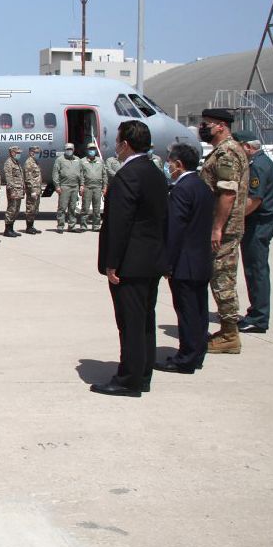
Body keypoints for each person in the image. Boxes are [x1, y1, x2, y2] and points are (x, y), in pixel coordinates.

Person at [92, 120, 169, 397]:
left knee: (130, 323)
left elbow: (119, 224)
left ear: (125, 144)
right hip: (152, 261)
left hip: (131, 263)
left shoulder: (128, 176)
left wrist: (112, 263)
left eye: (118, 141)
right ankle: (143, 374)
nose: (116, 146)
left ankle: (129, 379)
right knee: (146, 320)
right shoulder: (155, 173)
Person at [156, 143, 214, 374]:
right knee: (199, 310)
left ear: (179, 164)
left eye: (170, 162)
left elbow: (175, 229)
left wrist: (167, 262)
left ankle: (186, 358)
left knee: (187, 311)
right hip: (201, 259)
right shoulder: (202, 186)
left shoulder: (182, 189)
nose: (168, 166)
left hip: (185, 262)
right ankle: (197, 353)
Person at [199, 108, 250, 354]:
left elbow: (228, 193)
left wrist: (217, 228)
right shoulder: (222, 151)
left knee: (222, 279)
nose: (203, 127)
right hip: (223, 227)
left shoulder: (227, 152)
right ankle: (227, 331)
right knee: (220, 277)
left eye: (207, 124)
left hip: (225, 230)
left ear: (220, 126)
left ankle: (230, 334)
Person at [235, 131, 273, 334]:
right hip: (260, 222)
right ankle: (256, 311)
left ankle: (259, 317)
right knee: (255, 270)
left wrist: (233, 219)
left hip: (259, 223)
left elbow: (254, 200)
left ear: (247, 147)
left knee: (257, 271)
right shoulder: (259, 163)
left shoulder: (258, 166)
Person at [52, 145, 83, 232]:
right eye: (67, 149)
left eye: (70, 149)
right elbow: (55, 173)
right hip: (64, 186)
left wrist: (82, 185)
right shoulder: (60, 160)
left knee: (72, 207)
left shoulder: (78, 160)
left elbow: (81, 173)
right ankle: (60, 226)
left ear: (73, 150)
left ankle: (72, 226)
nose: (69, 150)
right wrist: (57, 186)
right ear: (64, 150)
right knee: (62, 207)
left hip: (75, 186)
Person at [79, 143, 106, 231]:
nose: (92, 151)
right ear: (87, 150)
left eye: (93, 149)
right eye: (90, 149)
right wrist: (81, 185)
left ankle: (96, 226)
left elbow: (104, 174)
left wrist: (104, 186)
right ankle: (83, 226)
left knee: (97, 208)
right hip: (87, 187)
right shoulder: (82, 161)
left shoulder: (100, 161)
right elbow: (81, 174)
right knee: (85, 208)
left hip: (97, 187)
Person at [2, 145, 24, 238]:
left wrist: (23, 188)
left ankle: (11, 228)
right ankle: (7, 230)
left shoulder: (16, 162)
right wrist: (11, 191)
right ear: (12, 152)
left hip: (19, 190)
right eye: (17, 152)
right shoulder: (9, 163)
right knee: (11, 209)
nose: (19, 154)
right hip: (13, 190)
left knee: (16, 210)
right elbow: (9, 178)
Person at [23, 147, 43, 234]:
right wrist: (32, 190)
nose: (38, 154)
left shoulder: (35, 162)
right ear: (31, 153)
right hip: (33, 190)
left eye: (39, 152)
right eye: (36, 152)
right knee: (30, 208)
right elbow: (28, 178)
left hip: (37, 189)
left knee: (35, 208)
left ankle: (32, 226)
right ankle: (29, 227)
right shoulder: (29, 163)